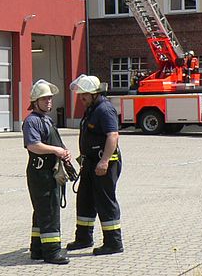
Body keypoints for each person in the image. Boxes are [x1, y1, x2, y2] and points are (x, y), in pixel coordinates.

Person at [66, 74, 124, 255]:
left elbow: (112, 136)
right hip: (91, 164)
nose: (81, 98)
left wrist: (104, 161)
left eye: (84, 95)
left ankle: (113, 243)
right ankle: (84, 238)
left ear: (94, 94)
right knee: (85, 199)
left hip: (104, 164)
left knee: (105, 202)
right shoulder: (92, 108)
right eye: (80, 94)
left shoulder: (104, 109)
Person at [22, 79, 71, 265]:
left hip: (48, 171)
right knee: (49, 211)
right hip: (40, 173)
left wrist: (64, 151)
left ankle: (37, 249)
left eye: (50, 99)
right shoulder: (32, 121)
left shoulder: (47, 120)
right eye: (45, 99)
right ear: (35, 102)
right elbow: (33, 145)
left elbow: (55, 141)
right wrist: (56, 151)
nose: (49, 102)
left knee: (41, 211)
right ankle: (52, 252)